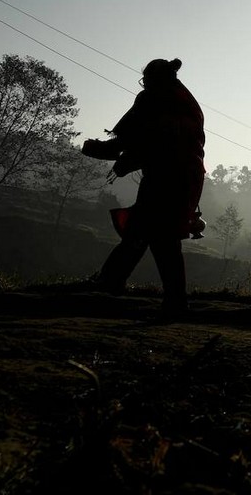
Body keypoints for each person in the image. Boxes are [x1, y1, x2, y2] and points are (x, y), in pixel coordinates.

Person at [80, 57, 206, 321]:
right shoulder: (187, 102)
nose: (144, 84)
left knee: (157, 236)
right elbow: (163, 142)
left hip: (167, 176)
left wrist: (98, 150)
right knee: (147, 232)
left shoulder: (152, 98)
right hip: (189, 177)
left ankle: (117, 287)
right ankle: (112, 284)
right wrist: (132, 159)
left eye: (146, 79)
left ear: (153, 79)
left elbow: (133, 141)